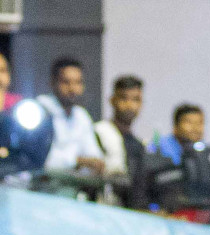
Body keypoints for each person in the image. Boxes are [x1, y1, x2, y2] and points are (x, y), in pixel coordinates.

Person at [145, 104, 210, 221]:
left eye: (200, 123)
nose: (195, 128)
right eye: (189, 122)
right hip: (164, 217)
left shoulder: (208, 154)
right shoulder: (159, 149)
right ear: (175, 126)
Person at [38, 57, 105, 188]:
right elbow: (43, 162)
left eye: (78, 82)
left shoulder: (81, 115)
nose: (72, 88)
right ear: (53, 83)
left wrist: (89, 163)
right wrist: (77, 162)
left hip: (74, 188)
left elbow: (94, 158)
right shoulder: (41, 111)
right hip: (42, 189)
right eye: (66, 82)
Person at [94, 75, 147, 209]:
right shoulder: (99, 132)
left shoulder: (138, 145)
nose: (130, 105)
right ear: (112, 100)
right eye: (124, 98)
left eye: (136, 100)